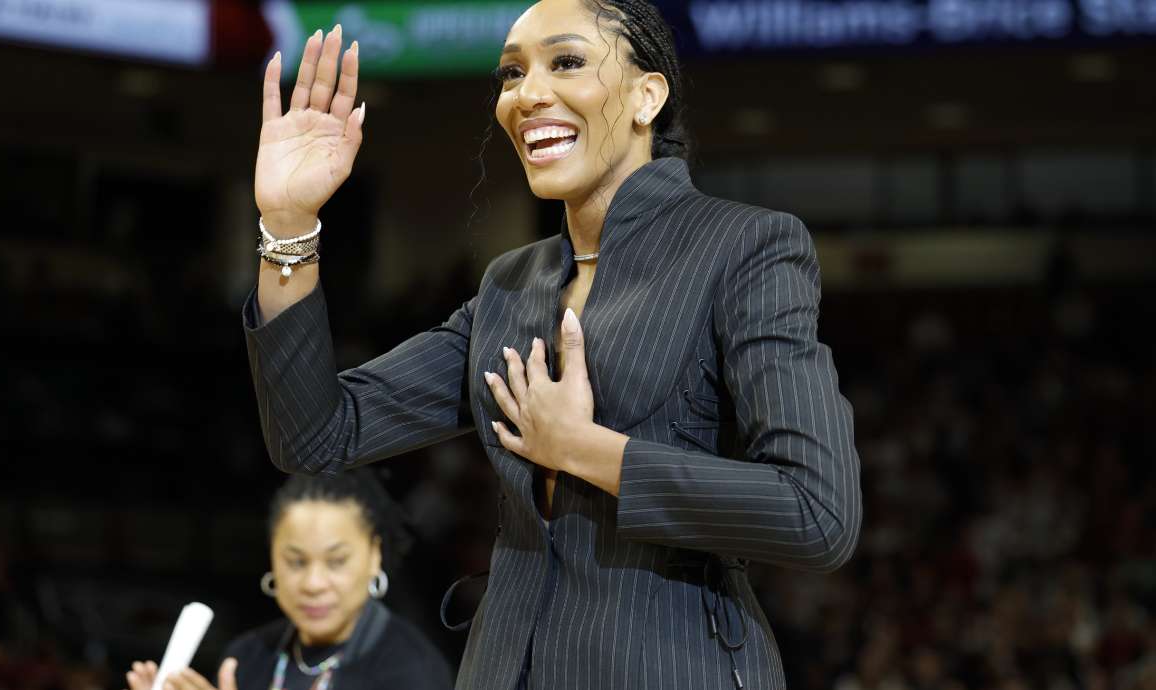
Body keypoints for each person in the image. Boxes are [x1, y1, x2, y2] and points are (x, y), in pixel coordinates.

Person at [243, 0, 862, 688]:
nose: (527, 93)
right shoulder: (510, 283)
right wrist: (289, 225)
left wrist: (587, 451)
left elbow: (819, 513)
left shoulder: (745, 246)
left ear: (646, 96)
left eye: (566, 62)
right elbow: (317, 437)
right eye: (511, 74)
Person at [124, 472, 452, 690]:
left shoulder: (411, 670)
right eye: (295, 561)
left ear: (375, 556)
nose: (313, 582)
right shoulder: (247, 657)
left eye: (336, 561)